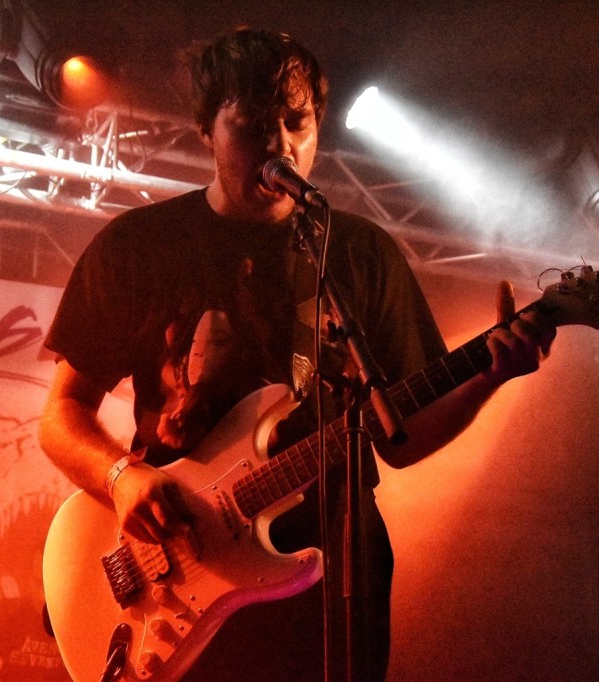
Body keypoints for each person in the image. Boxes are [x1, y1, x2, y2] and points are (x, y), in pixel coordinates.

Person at [38, 27, 555, 682]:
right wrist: (120, 478)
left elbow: (398, 438)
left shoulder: (360, 256)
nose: (279, 144)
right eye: (252, 125)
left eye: (295, 123)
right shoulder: (138, 247)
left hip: (333, 574)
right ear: (207, 129)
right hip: (176, 570)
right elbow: (61, 416)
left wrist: (488, 378)